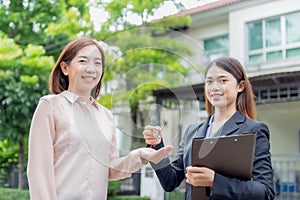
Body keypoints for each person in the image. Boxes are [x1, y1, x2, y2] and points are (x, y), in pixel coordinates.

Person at [27, 38, 172, 200]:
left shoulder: (105, 116)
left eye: (97, 63)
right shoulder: (50, 106)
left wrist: (140, 155)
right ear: (65, 68)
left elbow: (110, 169)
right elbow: (38, 170)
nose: (91, 69)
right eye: (83, 61)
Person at [143, 56, 275, 199]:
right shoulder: (192, 131)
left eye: (223, 80)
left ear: (240, 86)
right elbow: (170, 181)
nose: (214, 87)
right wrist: (156, 145)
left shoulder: (254, 130)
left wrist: (215, 181)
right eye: (209, 82)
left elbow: (265, 192)